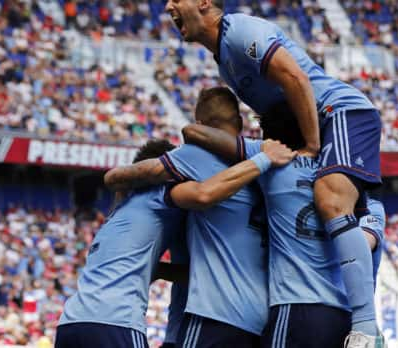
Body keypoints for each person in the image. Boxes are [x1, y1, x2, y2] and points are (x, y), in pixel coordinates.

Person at [164, 1, 383, 346]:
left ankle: (368, 327)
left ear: (204, 3)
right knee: (349, 211)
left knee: (331, 201)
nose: (168, 6)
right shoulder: (225, 60)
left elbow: (294, 76)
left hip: (339, 114)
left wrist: (310, 146)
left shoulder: (240, 33)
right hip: (319, 128)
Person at [104, 87, 294, 347]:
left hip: (213, 315)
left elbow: (123, 175)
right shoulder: (272, 167)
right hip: (261, 320)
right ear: (239, 123)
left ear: (202, 126)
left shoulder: (196, 157)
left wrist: (118, 185)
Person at [56, 140, 186, 348]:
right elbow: (204, 194)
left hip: (70, 323)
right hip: (114, 322)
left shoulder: (118, 211)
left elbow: (143, 269)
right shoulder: (163, 195)